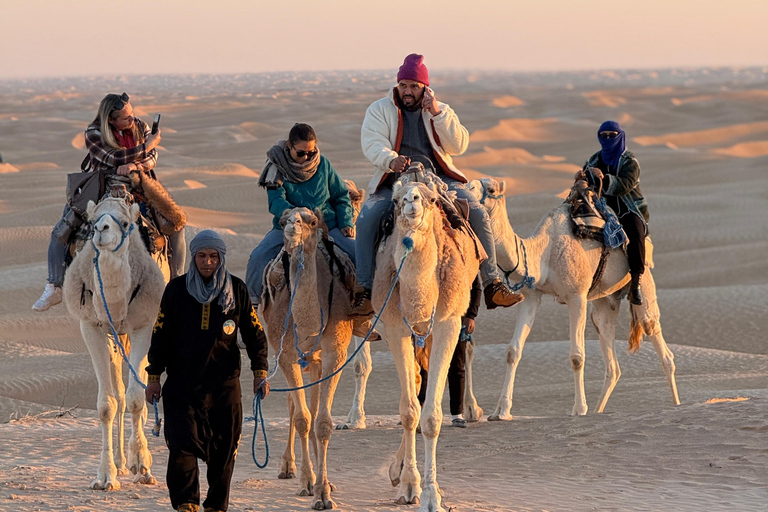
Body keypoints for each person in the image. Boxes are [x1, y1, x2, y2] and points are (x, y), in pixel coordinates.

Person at [353, 53, 523, 316]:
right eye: (404, 85)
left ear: (425, 88)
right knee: (367, 218)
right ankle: (364, 291)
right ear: (397, 85)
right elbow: (372, 143)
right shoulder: (380, 110)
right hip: (396, 179)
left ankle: (493, 284)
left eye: (414, 86)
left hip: (437, 180)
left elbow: (458, 145)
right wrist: (391, 160)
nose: (408, 91)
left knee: (476, 212)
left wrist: (437, 114)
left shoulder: (440, 109)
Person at [145, 230, 269, 512]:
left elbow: (254, 334)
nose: (207, 262)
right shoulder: (176, 290)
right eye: (201, 256)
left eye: (213, 256)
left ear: (221, 258)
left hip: (224, 387)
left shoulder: (236, 290)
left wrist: (260, 371)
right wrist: (153, 377)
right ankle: (186, 504)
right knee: (181, 447)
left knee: (224, 452)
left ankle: (215, 506)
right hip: (182, 387)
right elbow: (160, 336)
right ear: (194, 257)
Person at [32, 92, 186, 311]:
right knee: (60, 232)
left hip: (140, 184)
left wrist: (136, 165)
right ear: (110, 119)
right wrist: (146, 146)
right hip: (101, 187)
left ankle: (176, 285)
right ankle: (54, 285)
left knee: (176, 223)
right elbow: (113, 159)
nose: (132, 120)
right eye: (126, 117)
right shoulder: (94, 132)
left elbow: (153, 158)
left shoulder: (140, 126)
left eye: (132, 114)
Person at [245, 123, 356, 305]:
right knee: (258, 257)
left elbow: (341, 196)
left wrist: (346, 223)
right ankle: (253, 306)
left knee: (357, 253)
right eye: (301, 153)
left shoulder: (323, 165)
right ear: (289, 146)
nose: (306, 157)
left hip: (326, 225)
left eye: (311, 152)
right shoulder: (277, 167)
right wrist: (292, 213)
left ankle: (364, 309)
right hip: (290, 226)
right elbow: (275, 201)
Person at [577, 120, 649, 305]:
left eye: (612, 135)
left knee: (635, 232)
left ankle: (636, 282)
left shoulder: (630, 162)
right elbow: (588, 183)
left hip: (628, 207)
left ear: (620, 136)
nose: (608, 139)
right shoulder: (593, 160)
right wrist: (582, 179)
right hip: (602, 207)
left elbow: (625, 185)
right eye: (604, 136)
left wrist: (604, 178)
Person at [417, 276, 481, 428]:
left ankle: (457, 414)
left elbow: (475, 285)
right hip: (429, 315)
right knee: (424, 363)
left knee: (457, 363)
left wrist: (471, 315)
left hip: (456, 314)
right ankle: (420, 408)